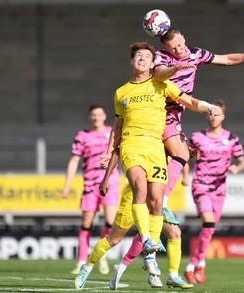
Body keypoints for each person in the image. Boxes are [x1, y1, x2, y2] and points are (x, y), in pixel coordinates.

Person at [113, 27, 244, 287]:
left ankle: (149, 264)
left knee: (170, 227)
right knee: (182, 155)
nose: (178, 51)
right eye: (173, 49)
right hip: (161, 111)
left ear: (184, 38)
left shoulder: (196, 53)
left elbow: (227, 59)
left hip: (178, 114)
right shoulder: (162, 57)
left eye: (179, 45)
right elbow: (159, 73)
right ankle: (160, 202)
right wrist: (177, 66)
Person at [74, 41, 218, 290]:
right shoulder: (121, 93)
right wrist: (108, 168)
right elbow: (117, 132)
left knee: (156, 199)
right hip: (132, 144)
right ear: (131, 62)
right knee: (139, 187)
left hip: (154, 146)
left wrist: (208, 107)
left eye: (146, 56)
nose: (141, 58)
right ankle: (94, 264)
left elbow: (189, 101)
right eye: (137, 56)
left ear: (153, 63)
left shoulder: (161, 85)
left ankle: (159, 266)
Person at [184, 99, 244, 284]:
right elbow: (185, 156)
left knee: (209, 229)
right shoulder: (197, 137)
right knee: (209, 223)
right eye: (210, 113)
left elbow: (243, 162)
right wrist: (185, 175)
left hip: (219, 189)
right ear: (206, 115)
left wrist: (237, 168)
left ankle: (191, 265)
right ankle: (201, 265)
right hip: (201, 186)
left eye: (216, 114)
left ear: (223, 117)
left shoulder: (232, 138)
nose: (213, 116)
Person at [62, 104, 119, 275]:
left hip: (110, 182)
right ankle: (81, 261)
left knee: (110, 221)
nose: (96, 117)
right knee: (86, 224)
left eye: (99, 114)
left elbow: (120, 153)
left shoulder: (113, 132)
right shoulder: (82, 136)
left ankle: (100, 253)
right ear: (90, 117)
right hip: (90, 184)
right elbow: (74, 161)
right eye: (93, 115)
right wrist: (66, 185)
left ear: (104, 116)